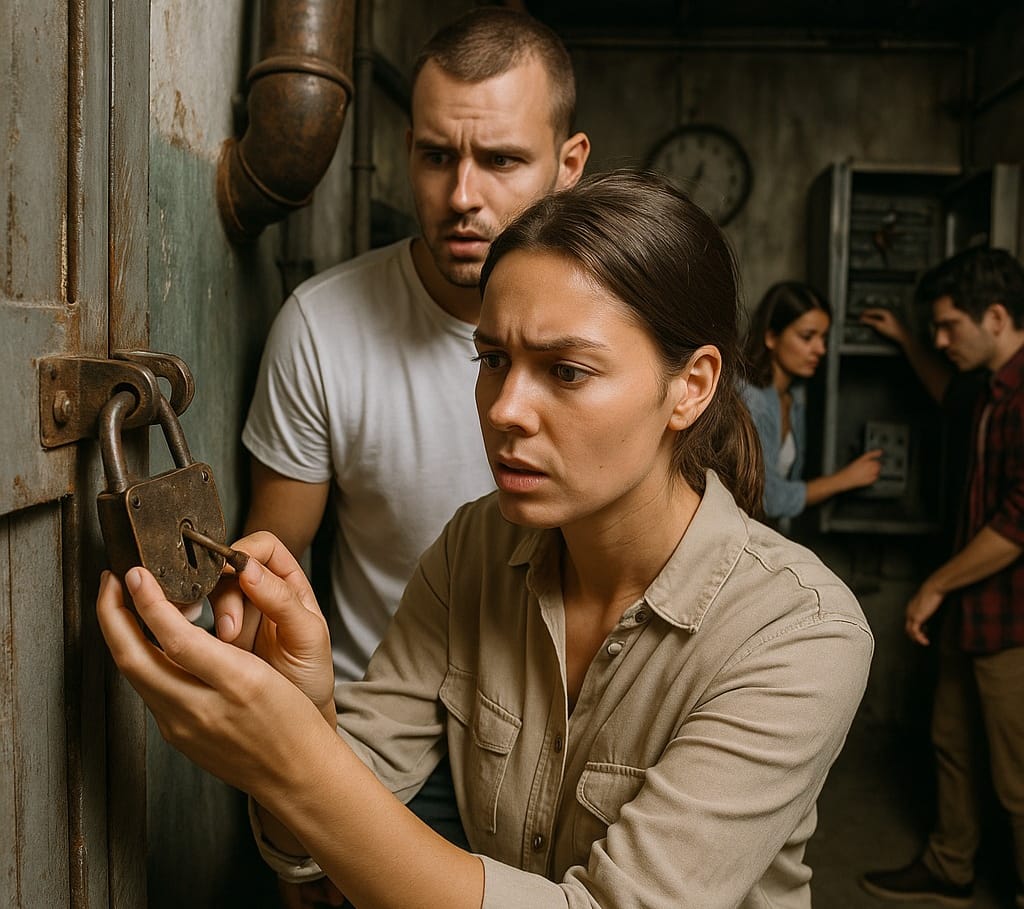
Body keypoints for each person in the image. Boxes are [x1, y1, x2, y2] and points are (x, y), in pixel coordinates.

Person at [98, 172, 873, 909]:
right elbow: (312, 841)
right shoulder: (477, 545)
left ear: (691, 386)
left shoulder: (798, 635)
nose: (505, 408)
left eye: (566, 371)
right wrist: (307, 711)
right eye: (494, 359)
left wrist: (293, 760)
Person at [240, 8, 590, 896]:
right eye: (437, 156)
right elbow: (272, 569)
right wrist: (297, 784)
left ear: (569, 164)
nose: (463, 193)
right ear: (407, 152)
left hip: (572, 740)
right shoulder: (322, 327)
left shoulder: (623, 337)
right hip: (389, 738)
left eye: (501, 160)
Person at [858, 247, 1024, 908]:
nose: (942, 339)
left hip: (1012, 617)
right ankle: (950, 866)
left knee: (1017, 779)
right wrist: (905, 340)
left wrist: (935, 585)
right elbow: (947, 393)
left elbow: (1020, 519)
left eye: (950, 326)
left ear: (997, 317)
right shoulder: (988, 386)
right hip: (972, 610)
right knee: (950, 740)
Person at [741, 281, 883, 523]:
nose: (821, 349)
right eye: (807, 337)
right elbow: (768, 498)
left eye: (823, 338)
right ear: (771, 337)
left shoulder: (793, 396)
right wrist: (845, 480)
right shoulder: (750, 400)